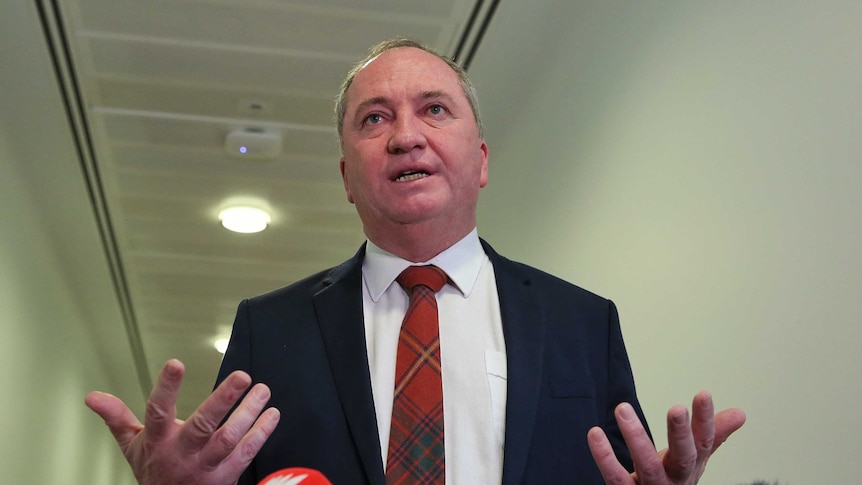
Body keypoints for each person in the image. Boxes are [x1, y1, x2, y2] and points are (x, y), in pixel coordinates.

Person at [86, 38, 746, 484]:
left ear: (481, 159)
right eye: (374, 119)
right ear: (348, 176)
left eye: (434, 109)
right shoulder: (270, 329)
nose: (406, 136)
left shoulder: (583, 322)